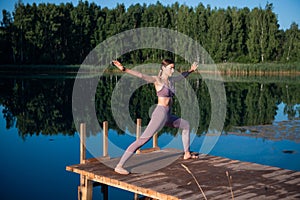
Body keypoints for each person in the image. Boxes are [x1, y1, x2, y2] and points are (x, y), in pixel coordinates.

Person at [112, 59, 199, 175]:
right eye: (170, 68)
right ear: (163, 68)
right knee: (142, 140)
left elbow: (182, 76)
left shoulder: (171, 80)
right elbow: (141, 75)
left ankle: (187, 153)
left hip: (167, 115)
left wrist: (191, 70)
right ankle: (119, 165)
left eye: (173, 68)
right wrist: (124, 69)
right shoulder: (157, 80)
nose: (173, 70)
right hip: (160, 114)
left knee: (186, 125)